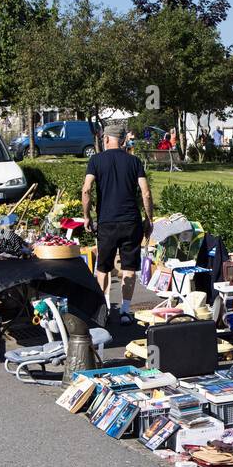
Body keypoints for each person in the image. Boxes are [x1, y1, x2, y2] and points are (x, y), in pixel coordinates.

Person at [82, 122, 153, 325]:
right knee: (129, 267)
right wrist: (149, 219)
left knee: (103, 267)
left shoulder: (95, 160)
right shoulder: (134, 162)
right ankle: (125, 310)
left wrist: (87, 216)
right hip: (131, 221)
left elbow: (86, 190)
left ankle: (104, 309)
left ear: (105, 139)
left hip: (107, 222)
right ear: (123, 141)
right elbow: (146, 193)